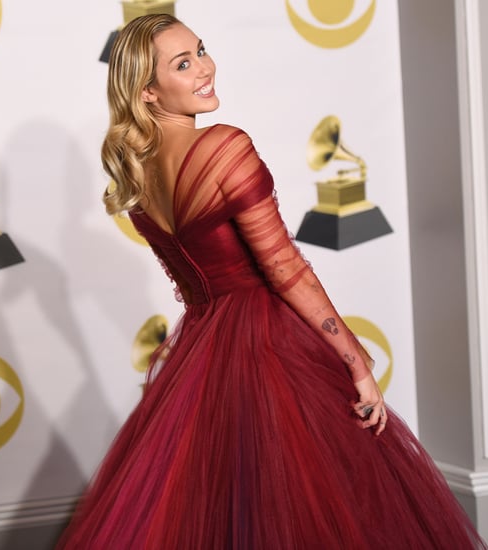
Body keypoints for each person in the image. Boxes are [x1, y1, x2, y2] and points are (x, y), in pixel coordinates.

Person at [57, 14, 486, 549]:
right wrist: (355, 360)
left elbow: (197, 291)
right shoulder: (222, 146)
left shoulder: (137, 179)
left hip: (203, 357)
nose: (206, 68)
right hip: (270, 346)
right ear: (147, 92)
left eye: (202, 50)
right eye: (183, 64)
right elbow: (284, 269)